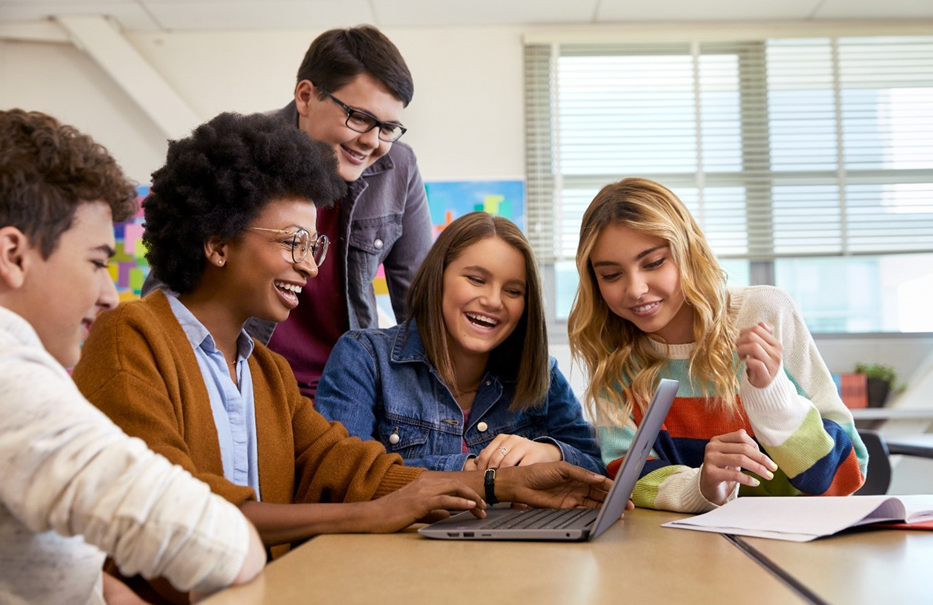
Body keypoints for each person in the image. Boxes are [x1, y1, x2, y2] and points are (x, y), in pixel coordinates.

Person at [73, 113, 613, 603]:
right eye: (293, 242)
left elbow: (351, 467)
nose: (310, 267)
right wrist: (373, 514)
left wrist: (499, 484)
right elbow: (183, 509)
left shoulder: (265, 370)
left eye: (314, 247)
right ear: (217, 243)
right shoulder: (132, 336)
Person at [0, 109, 265, 605]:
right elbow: (216, 547)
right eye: (96, 262)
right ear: (13, 255)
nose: (107, 294)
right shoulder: (9, 375)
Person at [143, 25, 433, 398]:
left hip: (348, 389)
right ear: (306, 96)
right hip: (243, 381)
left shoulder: (399, 167)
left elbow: (422, 302)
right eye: (359, 118)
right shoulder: (239, 151)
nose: (373, 142)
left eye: (388, 127)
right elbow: (171, 282)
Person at [568, 178, 867, 514]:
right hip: (682, 542)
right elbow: (628, 477)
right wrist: (701, 486)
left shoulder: (763, 313)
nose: (635, 289)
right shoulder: (613, 353)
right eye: (611, 275)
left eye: (653, 263)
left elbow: (847, 474)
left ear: (689, 253)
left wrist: (773, 398)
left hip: (798, 535)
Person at [315, 212, 604, 474]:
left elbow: (596, 468)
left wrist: (551, 453)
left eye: (513, 291)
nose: (494, 301)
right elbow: (339, 472)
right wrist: (471, 473)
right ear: (437, 278)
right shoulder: (363, 357)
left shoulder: (542, 374)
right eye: (476, 279)